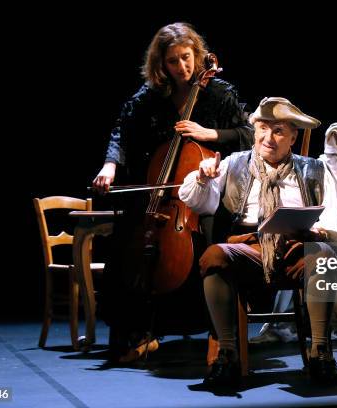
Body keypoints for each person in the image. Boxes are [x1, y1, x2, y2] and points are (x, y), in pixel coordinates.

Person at [92, 22, 253, 363]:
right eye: (173, 61)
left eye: (186, 57)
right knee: (127, 243)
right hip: (164, 194)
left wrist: (209, 134)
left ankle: (216, 334)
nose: (182, 67)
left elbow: (248, 135)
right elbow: (121, 129)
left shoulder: (219, 92)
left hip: (211, 190)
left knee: (210, 232)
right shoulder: (151, 95)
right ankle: (136, 332)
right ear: (161, 65)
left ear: (197, 54)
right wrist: (110, 165)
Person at [179, 97, 337, 387]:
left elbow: (334, 217)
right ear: (254, 130)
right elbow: (200, 203)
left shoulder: (315, 170)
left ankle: (321, 353)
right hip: (249, 248)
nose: (268, 138)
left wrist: (318, 232)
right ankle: (227, 356)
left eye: (279, 131)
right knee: (214, 256)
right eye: (263, 129)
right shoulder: (234, 164)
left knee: (326, 254)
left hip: (296, 247)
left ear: (293, 137)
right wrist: (204, 178)